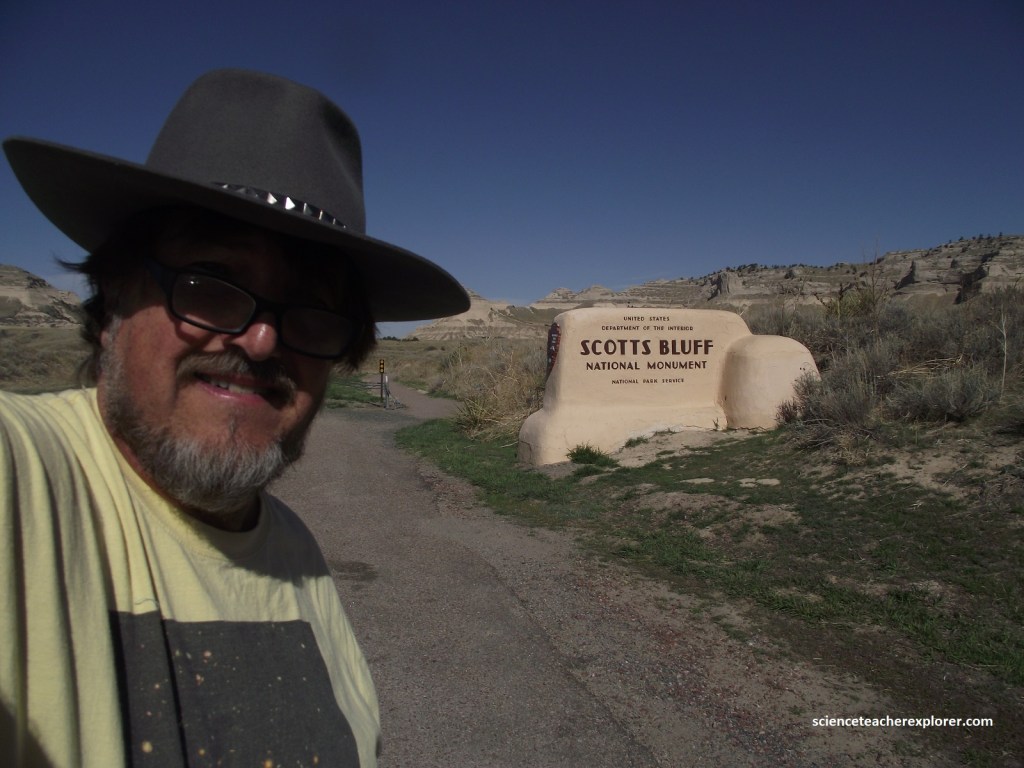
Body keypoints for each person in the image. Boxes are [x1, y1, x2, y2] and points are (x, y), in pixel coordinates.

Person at [0, 69, 469, 767]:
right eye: (213, 284)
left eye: (312, 309)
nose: (262, 340)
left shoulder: (294, 554)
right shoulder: (23, 479)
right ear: (111, 302)